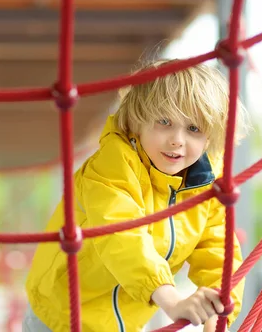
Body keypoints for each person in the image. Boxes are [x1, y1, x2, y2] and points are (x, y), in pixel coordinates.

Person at [24, 60, 249, 332]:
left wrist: (219, 314)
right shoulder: (110, 166)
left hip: (126, 320)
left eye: (193, 129)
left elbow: (218, 250)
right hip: (62, 315)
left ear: (210, 136)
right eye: (164, 122)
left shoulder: (206, 184)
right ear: (137, 121)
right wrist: (172, 300)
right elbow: (122, 237)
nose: (177, 139)